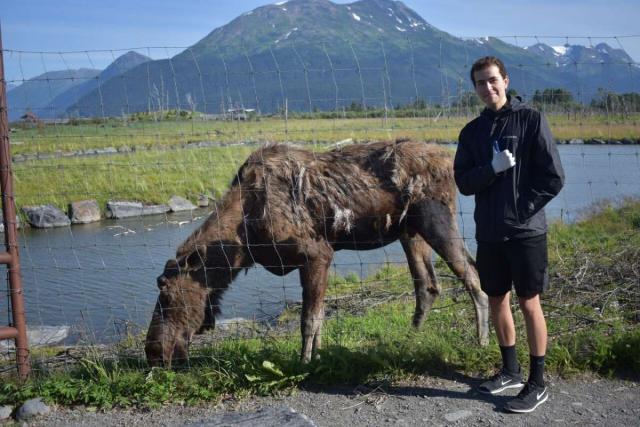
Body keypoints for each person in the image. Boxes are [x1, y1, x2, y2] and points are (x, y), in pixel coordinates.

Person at [453, 56, 565, 413]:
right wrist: (490, 169)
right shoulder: (472, 132)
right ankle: (511, 371)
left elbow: (553, 178)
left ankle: (537, 382)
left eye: (492, 80)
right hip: (489, 231)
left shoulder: (531, 120)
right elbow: (464, 182)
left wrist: (521, 209)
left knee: (529, 303)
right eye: (480, 83)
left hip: (526, 232)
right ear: (474, 89)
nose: (488, 88)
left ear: (506, 80)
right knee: (497, 298)